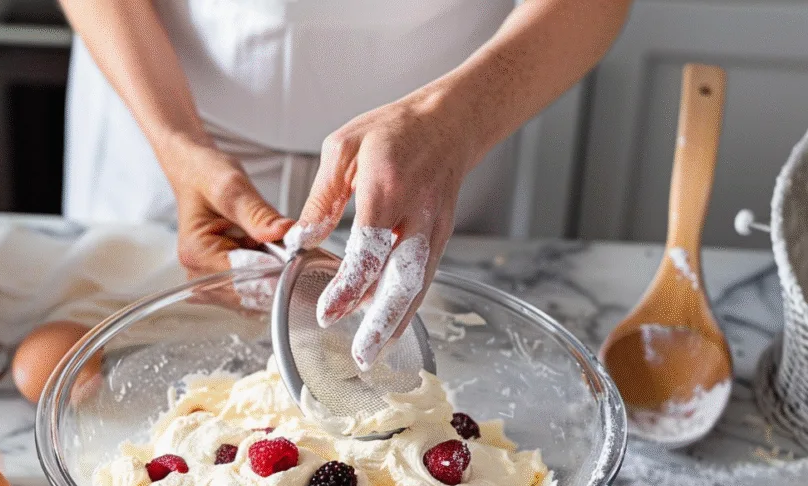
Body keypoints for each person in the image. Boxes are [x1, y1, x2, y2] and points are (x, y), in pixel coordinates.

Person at [60, 0, 632, 369]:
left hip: (437, 142)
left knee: (455, 366)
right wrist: (176, 143)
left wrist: (458, 119)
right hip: (162, 121)